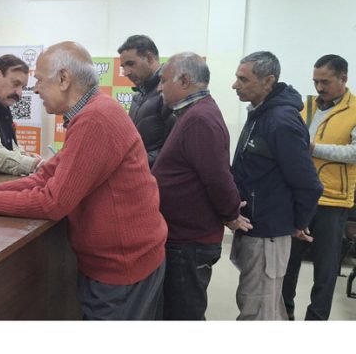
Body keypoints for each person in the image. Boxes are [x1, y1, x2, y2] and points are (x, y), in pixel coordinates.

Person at [0, 41, 168, 320]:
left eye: (39, 80)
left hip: (123, 268)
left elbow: (54, 202)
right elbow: (48, 174)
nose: (34, 89)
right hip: (122, 262)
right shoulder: (92, 110)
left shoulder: (95, 119)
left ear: (63, 79)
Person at [152, 52, 251, 320]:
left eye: (163, 80)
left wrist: (230, 213)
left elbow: (217, 176)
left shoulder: (199, 118)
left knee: (184, 314)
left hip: (188, 241)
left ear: (184, 80)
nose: (160, 87)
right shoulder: (194, 113)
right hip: (184, 236)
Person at [230, 51, 322, 320]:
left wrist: (298, 222)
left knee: (257, 309)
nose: (235, 84)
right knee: (264, 304)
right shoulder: (260, 114)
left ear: (268, 80)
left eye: (242, 79)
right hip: (257, 227)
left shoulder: (281, 121)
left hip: (268, 230)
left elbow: (308, 184)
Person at [282, 54, 356, 320]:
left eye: (325, 82)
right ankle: (284, 313)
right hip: (300, 197)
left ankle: (316, 320)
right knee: (288, 264)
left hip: (332, 201)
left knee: (325, 269)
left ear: (343, 78)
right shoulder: (306, 106)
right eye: (315, 81)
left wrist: (314, 149)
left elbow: (354, 153)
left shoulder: (355, 109)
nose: (319, 87)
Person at [118, 34, 175, 167]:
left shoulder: (169, 93)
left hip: (159, 180)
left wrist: (136, 164)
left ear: (149, 58)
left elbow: (174, 147)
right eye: (123, 67)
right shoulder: (138, 96)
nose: (126, 72)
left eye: (130, 64)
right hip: (140, 177)